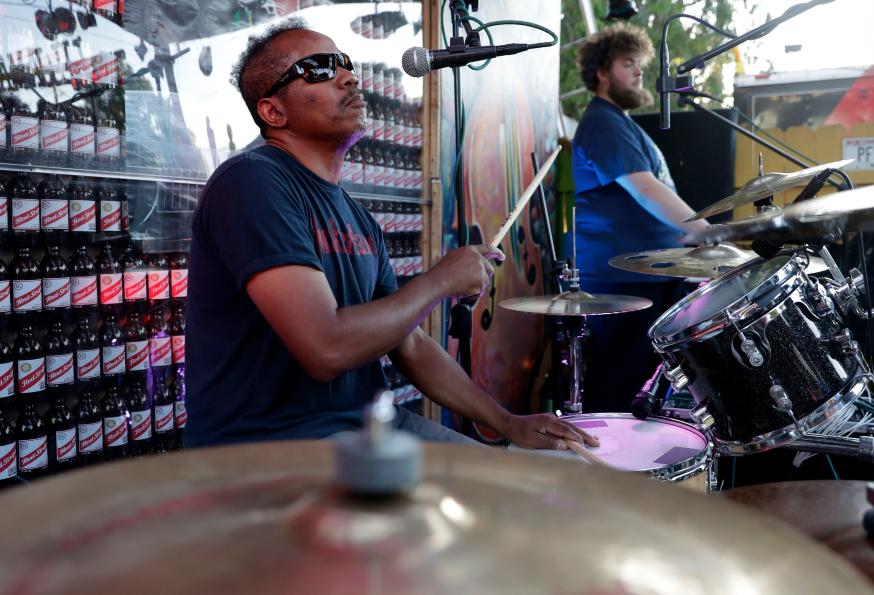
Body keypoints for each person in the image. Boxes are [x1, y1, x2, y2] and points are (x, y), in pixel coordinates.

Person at [184, 18, 597, 451]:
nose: (347, 76)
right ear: (273, 111)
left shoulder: (357, 217)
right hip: (274, 447)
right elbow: (325, 347)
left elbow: (410, 344)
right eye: (320, 68)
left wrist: (507, 423)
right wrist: (440, 282)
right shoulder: (252, 183)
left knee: (530, 482)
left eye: (344, 63)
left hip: (367, 429)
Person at [570, 23, 708, 413]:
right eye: (628, 63)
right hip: (622, 286)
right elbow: (645, 188)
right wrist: (706, 231)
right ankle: (611, 474)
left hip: (643, 280)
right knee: (619, 399)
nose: (638, 71)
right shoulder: (603, 121)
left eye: (640, 64)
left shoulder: (620, 123)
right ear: (602, 72)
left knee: (641, 398)